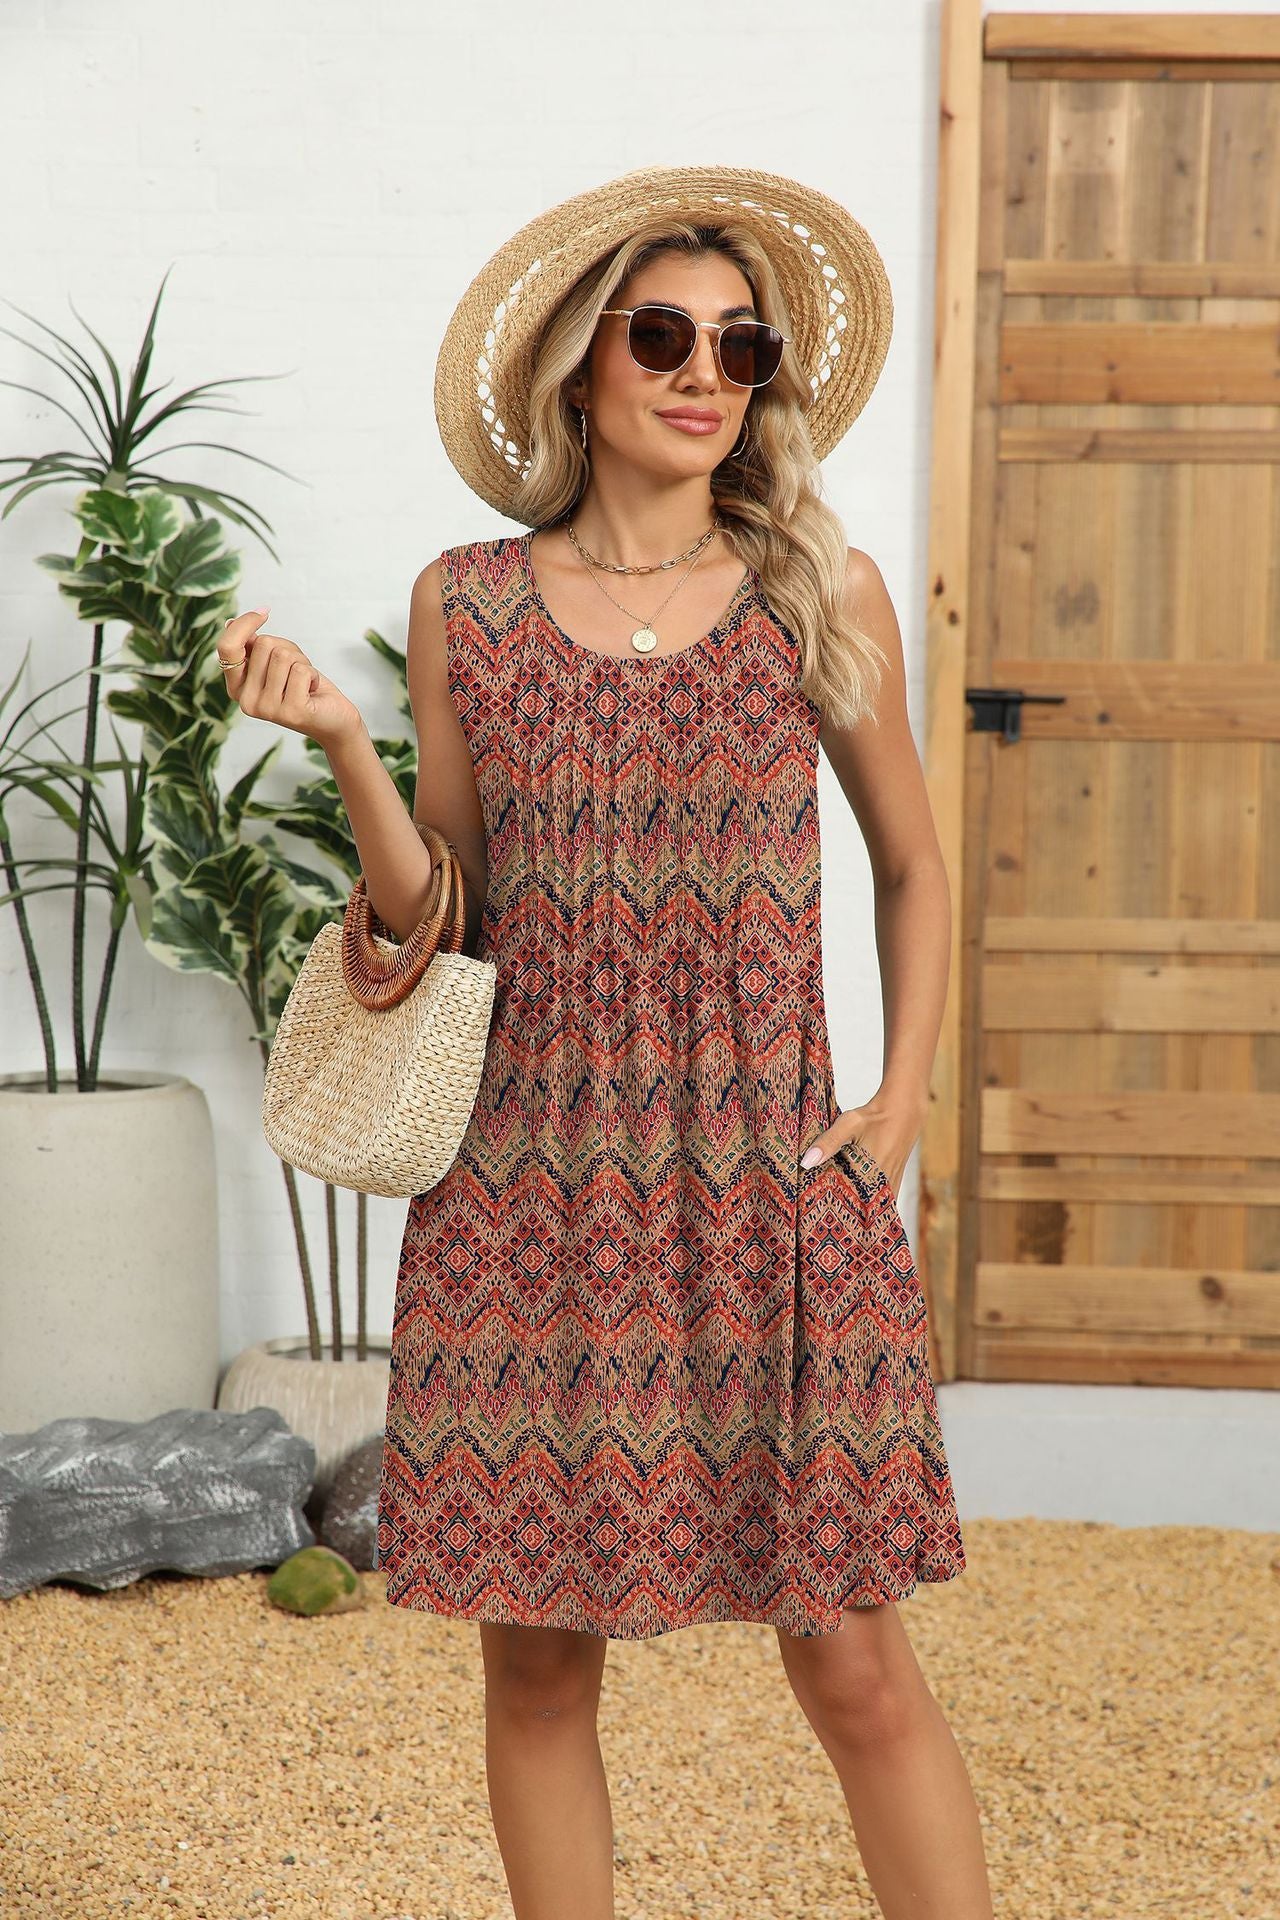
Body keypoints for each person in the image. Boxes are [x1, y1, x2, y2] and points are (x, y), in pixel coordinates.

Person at [218, 164, 993, 1920]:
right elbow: (441, 908)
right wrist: (341, 746)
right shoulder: (468, 602)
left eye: (741, 345)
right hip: (528, 1191)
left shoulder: (819, 592)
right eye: (663, 335)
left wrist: (897, 1101)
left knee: (858, 1667)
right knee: (539, 1670)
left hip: (761, 1183)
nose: (705, 372)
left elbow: (915, 865)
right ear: (581, 367)